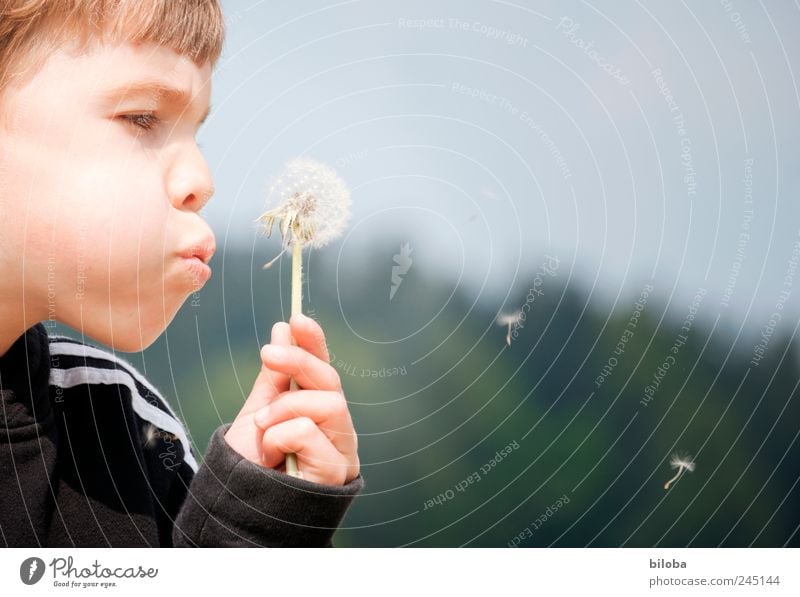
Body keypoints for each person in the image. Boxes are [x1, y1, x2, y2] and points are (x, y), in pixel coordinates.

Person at [0, 0, 363, 547]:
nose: (202, 179)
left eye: (196, 133)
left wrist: (251, 522)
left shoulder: (123, 433)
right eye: (141, 117)